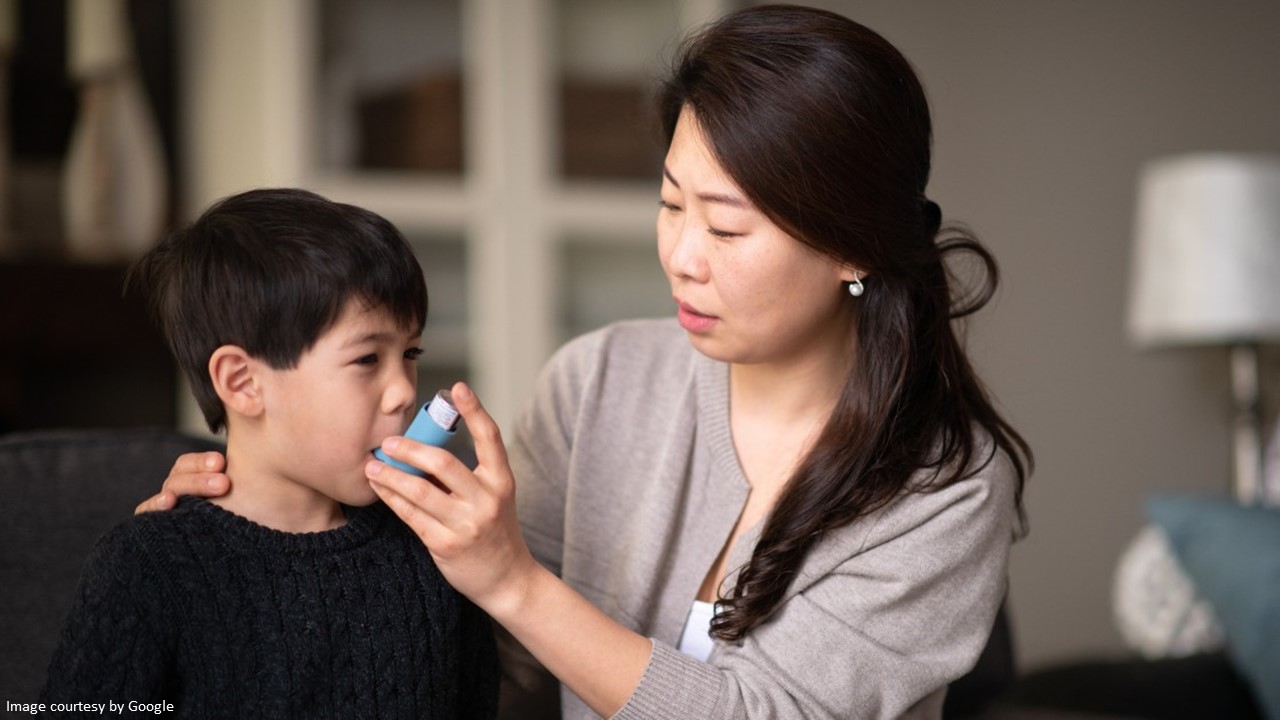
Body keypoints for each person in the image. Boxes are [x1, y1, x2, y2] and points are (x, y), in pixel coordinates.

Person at [142, 6, 1031, 719]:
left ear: (853, 247)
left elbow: (767, 710)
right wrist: (264, 522)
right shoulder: (598, 380)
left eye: (726, 227)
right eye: (669, 203)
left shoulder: (944, 484)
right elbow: (481, 668)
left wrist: (514, 584)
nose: (682, 254)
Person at [45, 188, 499, 718]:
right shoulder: (151, 566)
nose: (403, 390)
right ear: (243, 384)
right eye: (368, 358)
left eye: (410, 353)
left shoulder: (433, 552)